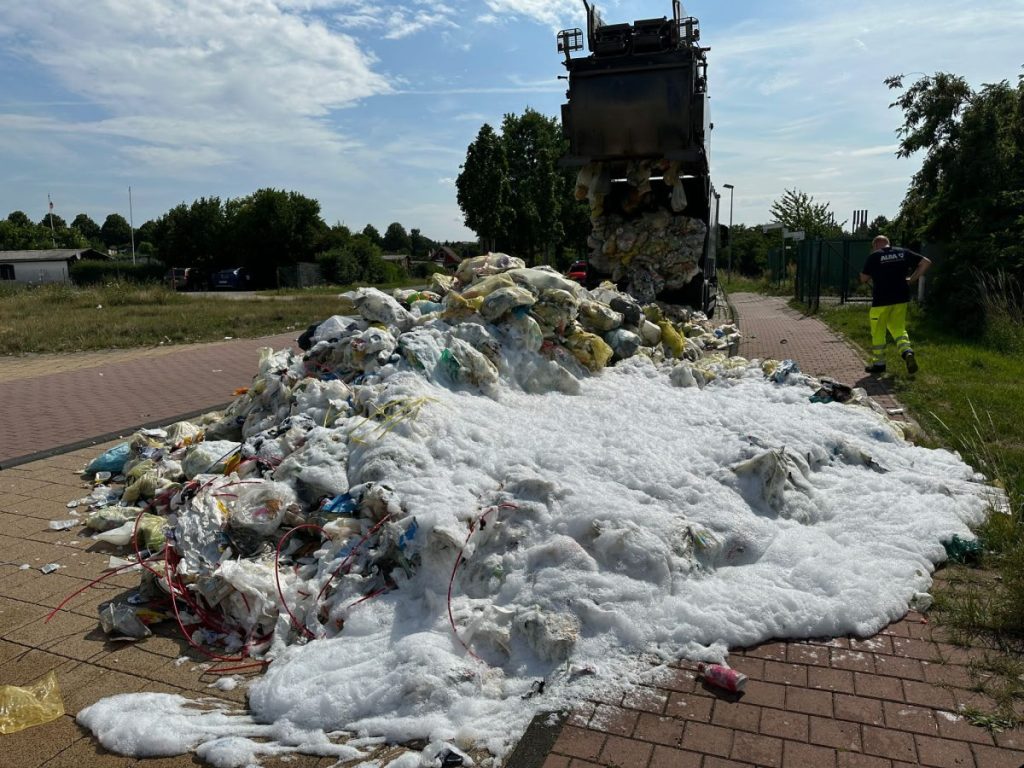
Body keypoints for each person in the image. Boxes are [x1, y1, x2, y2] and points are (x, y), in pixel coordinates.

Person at [859, 235, 931, 374]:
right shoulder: (903, 252)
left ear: (875, 245)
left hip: (881, 301)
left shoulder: (874, 256)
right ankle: (907, 352)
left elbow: (863, 278)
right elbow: (926, 262)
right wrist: (912, 279)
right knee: (898, 329)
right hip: (901, 298)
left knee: (878, 332)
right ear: (888, 243)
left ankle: (879, 364)